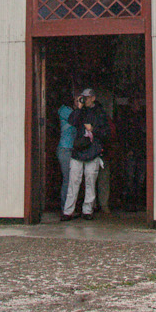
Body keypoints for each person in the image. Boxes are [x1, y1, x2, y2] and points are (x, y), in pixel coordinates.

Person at [62, 86, 108, 220]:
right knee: (73, 181)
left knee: (90, 181)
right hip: (78, 150)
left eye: (87, 98)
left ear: (93, 98)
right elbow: (71, 121)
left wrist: (93, 130)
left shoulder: (100, 112)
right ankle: (68, 211)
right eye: (83, 97)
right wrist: (79, 107)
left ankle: (88, 210)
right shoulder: (80, 111)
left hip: (92, 151)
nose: (85, 100)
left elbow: (106, 132)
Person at [56, 100, 76, 209]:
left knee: (71, 179)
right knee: (67, 179)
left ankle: (69, 207)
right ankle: (65, 208)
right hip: (65, 148)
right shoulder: (64, 110)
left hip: (71, 148)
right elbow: (76, 119)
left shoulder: (69, 110)